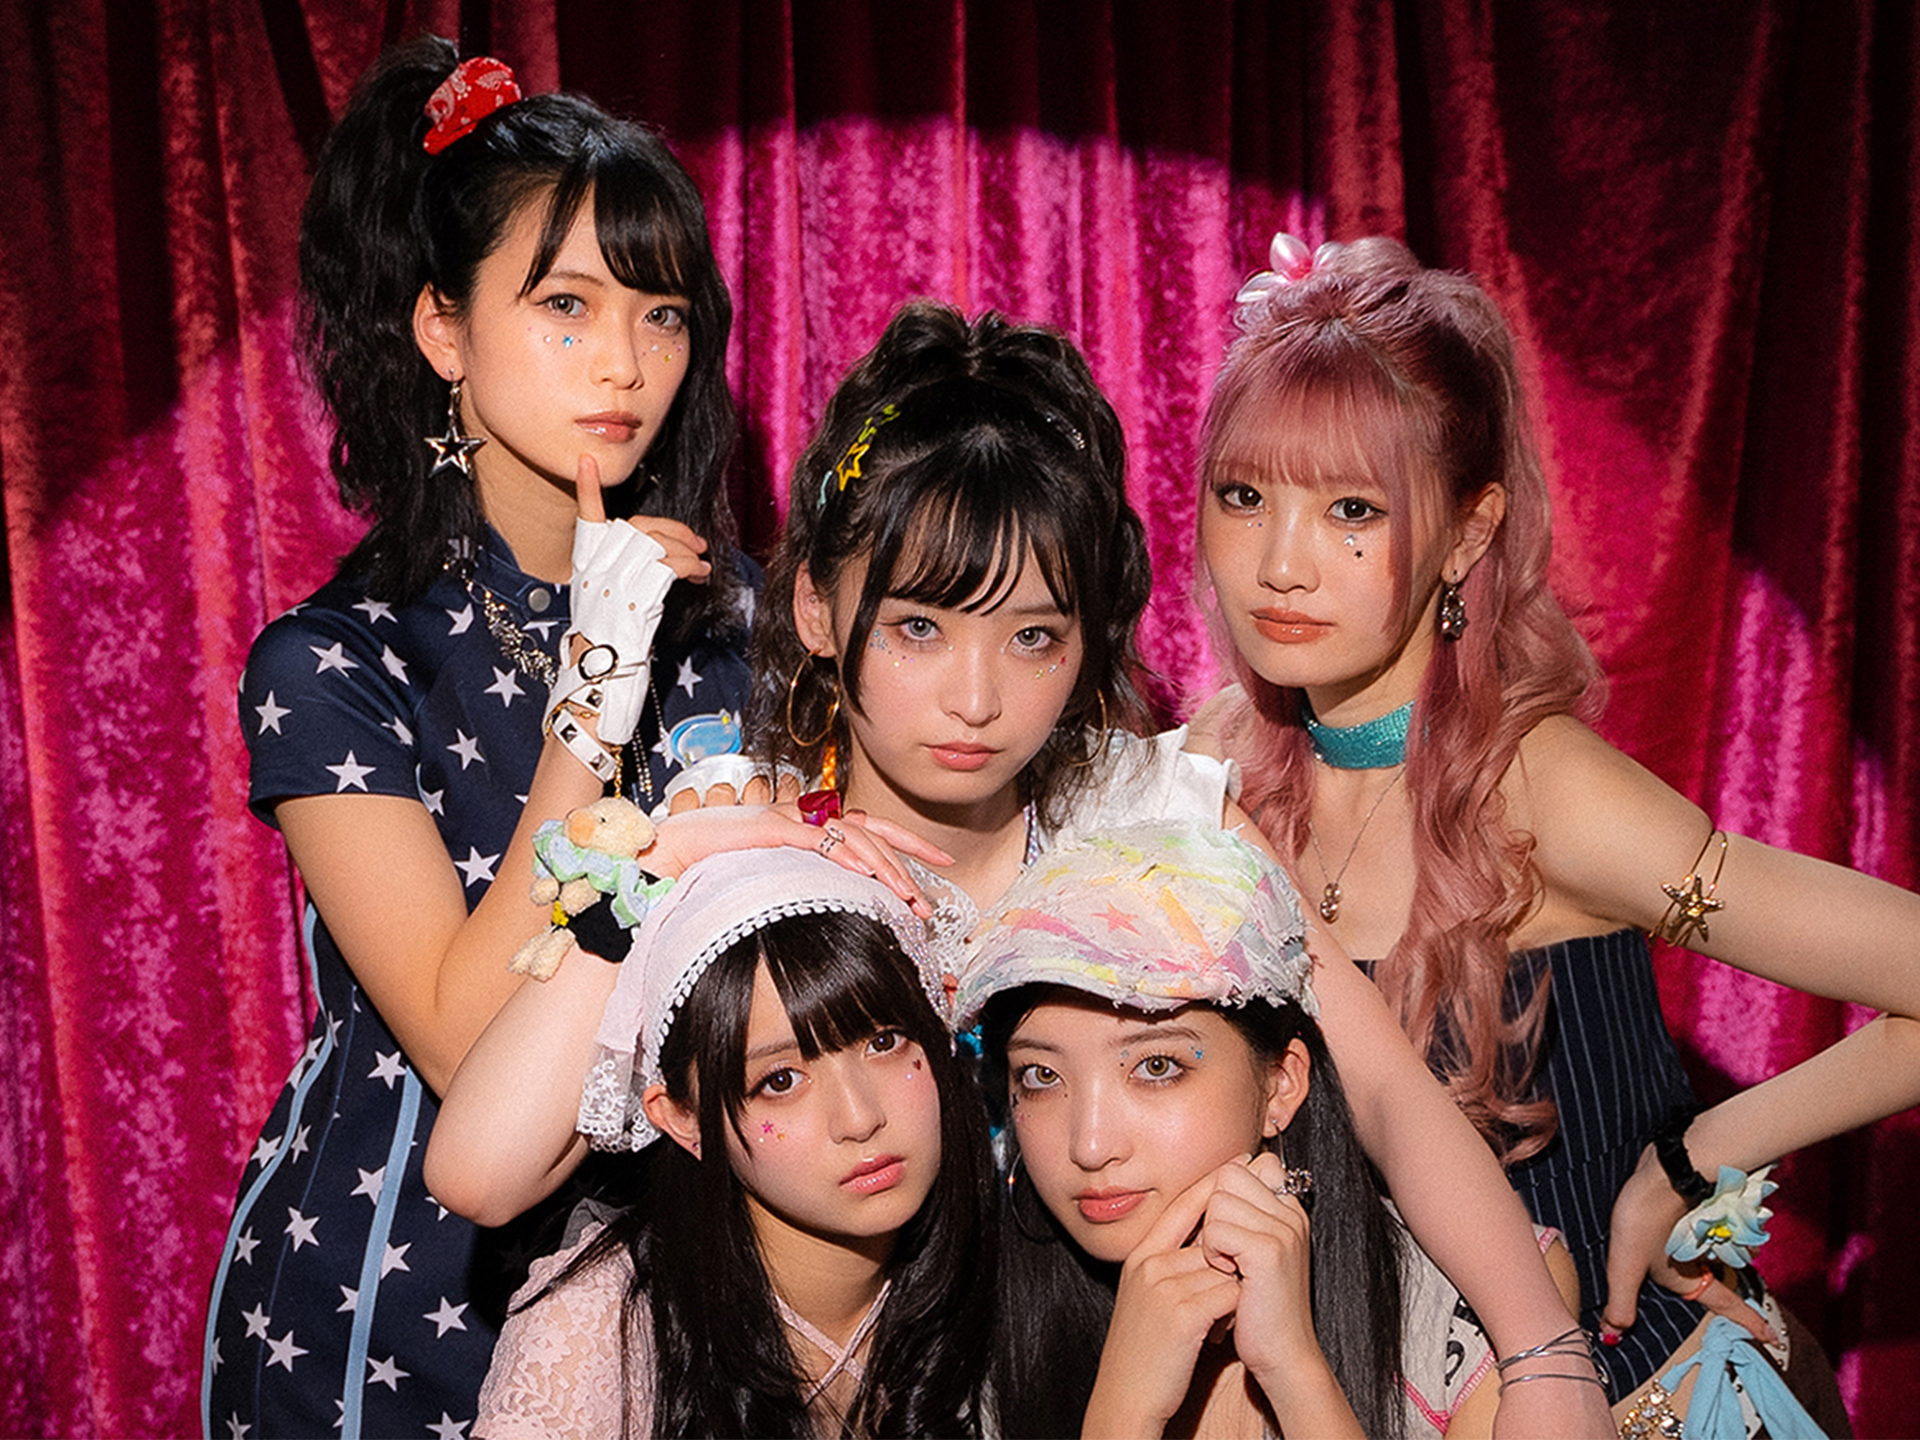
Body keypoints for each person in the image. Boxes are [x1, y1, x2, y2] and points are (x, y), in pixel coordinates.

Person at [430, 299, 1611, 1434]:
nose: (979, 698)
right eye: (920, 628)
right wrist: (680, 854)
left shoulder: (1154, 816)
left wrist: (1544, 1353)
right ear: (820, 609)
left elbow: (1387, 1091)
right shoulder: (750, 850)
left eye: (1034, 636)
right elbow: (483, 1176)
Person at [1189, 231, 1919, 1423]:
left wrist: (1691, 1159)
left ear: (1468, 534)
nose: (1279, 562)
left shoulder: (1543, 792)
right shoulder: (1215, 770)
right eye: (1245, 496)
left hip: (1651, 1401)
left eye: (1352, 509)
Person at [201, 35, 798, 1438]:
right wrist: (598, 680)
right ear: (443, 332)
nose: (626, 363)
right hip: (393, 1315)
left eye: (662, 314)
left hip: (692, 1313)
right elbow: (469, 1040)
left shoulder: (746, 621)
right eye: (566, 307)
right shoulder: (335, 663)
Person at [960, 822, 1564, 1439]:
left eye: (1156, 1066)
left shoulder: (1462, 1310)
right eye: (1041, 1075)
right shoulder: (968, 1336)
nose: (1090, 1146)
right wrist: (1124, 1410)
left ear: (1280, 1084)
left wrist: (1294, 1370)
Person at [472, 846, 994, 1438]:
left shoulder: (1017, 1267)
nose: (858, 1118)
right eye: (780, 1081)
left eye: (883, 1042)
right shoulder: (599, 1329)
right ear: (683, 1120)